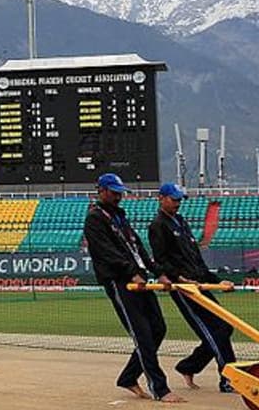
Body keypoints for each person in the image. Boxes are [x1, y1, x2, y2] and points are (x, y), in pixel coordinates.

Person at [84, 173, 184, 404]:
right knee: (143, 335)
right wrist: (131, 272)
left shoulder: (120, 217)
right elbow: (107, 252)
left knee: (158, 328)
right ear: (102, 191)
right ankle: (160, 388)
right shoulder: (95, 219)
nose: (118, 196)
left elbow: (138, 247)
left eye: (120, 192)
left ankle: (128, 377)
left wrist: (158, 271)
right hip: (121, 281)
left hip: (140, 279)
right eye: (113, 192)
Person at [148, 183, 237, 392]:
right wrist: (180, 279)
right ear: (161, 198)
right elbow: (160, 261)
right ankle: (229, 379)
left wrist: (217, 281)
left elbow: (195, 258)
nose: (178, 204)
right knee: (214, 331)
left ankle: (189, 366)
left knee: (225, 327)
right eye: (174, 199)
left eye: (180, 200)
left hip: (200, 284)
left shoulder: (180, 222)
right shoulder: (158, 225)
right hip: (184, 289)